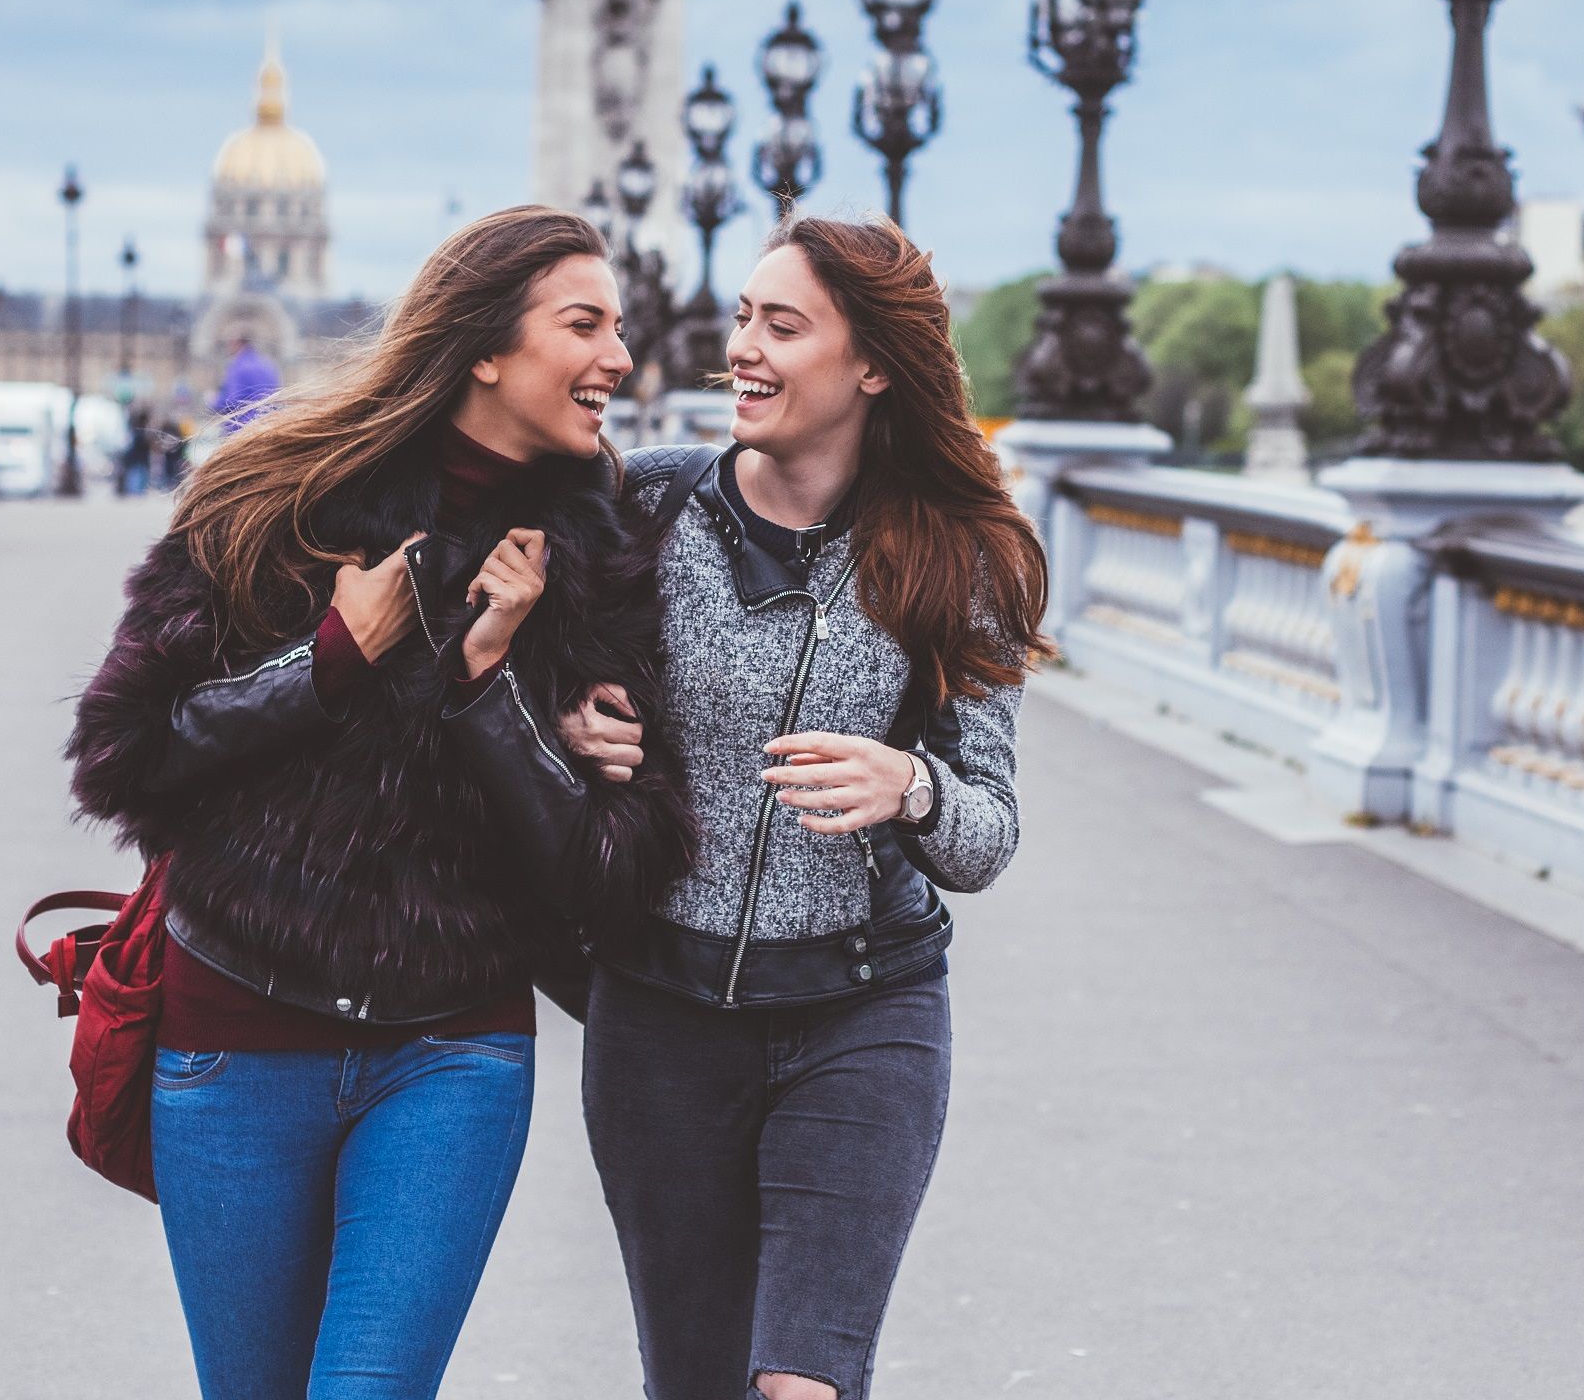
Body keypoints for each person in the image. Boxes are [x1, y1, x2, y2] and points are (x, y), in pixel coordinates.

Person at [65, 205, 692, 1400]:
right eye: (586, 324)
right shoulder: (279, 496)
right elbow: (123, 753)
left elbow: (621, 866)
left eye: (619, 327)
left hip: (451, 1050)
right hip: (237, 1032)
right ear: (484, 347)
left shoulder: (598, 552)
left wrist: (492, 695)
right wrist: (330, 662)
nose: (622, 356)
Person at [560, 214, 1050, 1400]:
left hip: (863, 1013)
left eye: (783, 325)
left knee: (802, 1385)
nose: (745, 349)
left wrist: (913, 786)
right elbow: (532, 686)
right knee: (697, 1382)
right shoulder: (644, 510)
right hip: (660, 1023)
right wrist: (571, 729)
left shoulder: (960, 554)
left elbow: (987, 833)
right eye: (742, 319)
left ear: (872, 363)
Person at [213, 334, 281, 432]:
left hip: (242, 429)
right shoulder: (268, 364)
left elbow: (232, 400)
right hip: (268, 425)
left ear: (237, 344)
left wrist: (214, 401)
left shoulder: (237, 366)